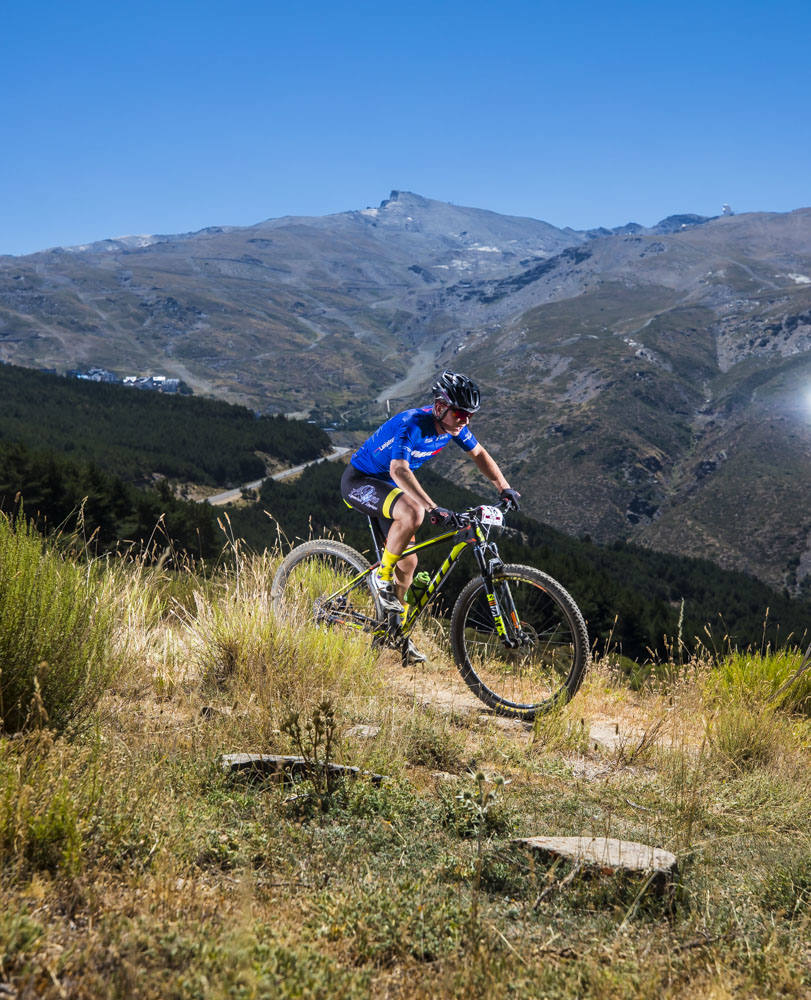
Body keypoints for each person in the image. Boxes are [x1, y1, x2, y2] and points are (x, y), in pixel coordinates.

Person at [340, 370, 520, 661]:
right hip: (360, 481)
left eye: (470, 414)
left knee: (409, 565)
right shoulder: (412, 424)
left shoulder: (454, 427)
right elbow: (399, 470)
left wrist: (505, 487)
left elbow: (480, 454)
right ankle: (380, 577)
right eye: (461, 413)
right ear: (440, 407)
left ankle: (393, 635)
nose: (466, 420)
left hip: (388, 487)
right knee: (413, 512)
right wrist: (433, 508)